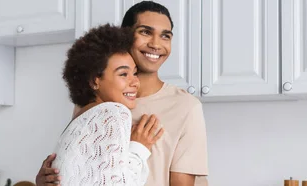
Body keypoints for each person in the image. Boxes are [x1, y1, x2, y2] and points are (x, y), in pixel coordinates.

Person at [36, 1, 209, 186]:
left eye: (165, 36)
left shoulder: (185, 107)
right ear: (126, 35)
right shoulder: (94, 103)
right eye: (145, 32)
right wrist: (47, 179)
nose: (156, 44)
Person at [52, 24, 165, 185]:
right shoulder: (114, 112)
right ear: (94, 81)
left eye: (134, 73)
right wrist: (139, 147)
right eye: (123, 74)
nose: (135, 82)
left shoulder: (79, 120)